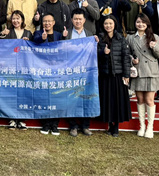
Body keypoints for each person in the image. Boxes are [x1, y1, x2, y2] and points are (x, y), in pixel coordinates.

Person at [126, 13, 159, 138]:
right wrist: (132, 60)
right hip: (138, 71)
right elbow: (127, 54)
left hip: (151, 71)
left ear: (147, 24)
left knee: (149, 100)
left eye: (143, 22)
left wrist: (154, 47)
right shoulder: (130, 38)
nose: (140, 24)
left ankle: (150, 127)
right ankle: (142, 126)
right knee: (140, 99)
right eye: (138, 22)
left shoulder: (154, 37)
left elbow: (158, 55)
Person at [97, 15, 131, 137]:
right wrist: (103, 52)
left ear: (115, 24)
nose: (108, 26)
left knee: (117, 101)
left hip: (118, 74)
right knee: (107, 100)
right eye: (106, 23)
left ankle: (116, 126)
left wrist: (126, 74)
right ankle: (109, 123)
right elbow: (94, 55)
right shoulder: (100, 38)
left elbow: (126, 57)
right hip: (105, 74)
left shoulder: (120, 38)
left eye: (110, 23)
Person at [66, 8, 96, 137]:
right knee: (71, 98)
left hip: (86, 71)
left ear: (84, 20)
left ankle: (85, 126)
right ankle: (73, 126)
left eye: (80, 19)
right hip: (71, 70)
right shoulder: (66, 33)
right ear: (71, 20)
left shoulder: (90, 34)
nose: (78, 21)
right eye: (75, 19)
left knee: (86, 97)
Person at [1, 10, 32, 131]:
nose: (15, 21)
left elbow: (34, 49)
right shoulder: (8, 32)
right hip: (11, 67)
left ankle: (22, 120)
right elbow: (1, 46)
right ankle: (12, 119)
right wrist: (2, 34)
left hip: (24, 67)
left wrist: (28, 43)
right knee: (12, 93)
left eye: (18, 18)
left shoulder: (28, 33)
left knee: (24, 93)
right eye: (13, 18)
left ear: (22, 20)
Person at [33, 13, 63, 135]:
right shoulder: (38, 33)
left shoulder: (59, 35)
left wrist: (64, 37)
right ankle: (45, 124)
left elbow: (64, 48)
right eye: (45, 21)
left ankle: (55, 125)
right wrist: (42, 38)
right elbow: (35, 41)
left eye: (49, 21)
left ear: (54, 22)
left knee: (56, 97)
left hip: (56, 70)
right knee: (44, 97)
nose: (47, 23)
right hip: (42, 70)